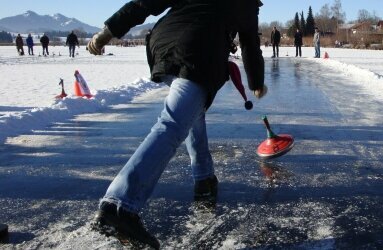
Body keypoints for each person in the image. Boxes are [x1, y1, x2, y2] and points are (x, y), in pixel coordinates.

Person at [87, 0, 267, 248]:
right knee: (172, 124)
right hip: (198, 51)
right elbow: (249, 45)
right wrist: (256, 81)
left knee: (192, 112)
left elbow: (146, 2)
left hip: (163, 42)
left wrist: (108, 32)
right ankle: (119, 205)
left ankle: (204, 178)